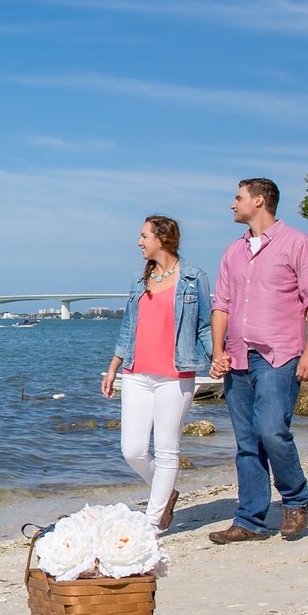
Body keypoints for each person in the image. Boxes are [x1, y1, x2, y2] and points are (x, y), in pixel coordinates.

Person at [206, 177, 308, 543]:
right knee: (246, 441)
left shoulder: (297, 243)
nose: (232, 204)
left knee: (272, 430)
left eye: (238, 197)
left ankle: (295, 499)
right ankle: (250, 521)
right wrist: (218, 350)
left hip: (279, 353)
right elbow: (221, 304)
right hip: (238, 356)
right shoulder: (232, 252)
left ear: (258, 201)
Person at [101, 216, 212, 532]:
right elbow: (128, 326)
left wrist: (218, 357)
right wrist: (114, 367)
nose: (139, 242)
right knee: (132, 450)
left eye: (143, 235)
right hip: (136, 373)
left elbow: (203, 325)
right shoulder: (139, 280)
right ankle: (166, 494)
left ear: (161, 238)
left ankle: (153, 522)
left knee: (166, 450)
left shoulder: (193, 278)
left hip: (175, 375)